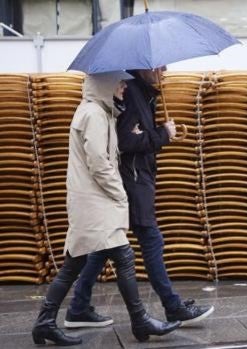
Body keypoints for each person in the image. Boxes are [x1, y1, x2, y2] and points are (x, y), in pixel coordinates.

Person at [32, 72, 180, 346]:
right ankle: (140, 321)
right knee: (123, 258)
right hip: (95, 201)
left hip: (92, 201)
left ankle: (45, 322)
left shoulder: (100, 112)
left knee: (75, 264)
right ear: (104, 85)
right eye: (120, 82)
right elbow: (99, 163)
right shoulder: (95, 116)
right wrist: (120, 193)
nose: (125, 86)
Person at [64, 67, 213, 330]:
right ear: (143, 67)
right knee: (151, 240)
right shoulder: (130, 94)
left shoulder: (143, 94)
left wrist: (156, 132)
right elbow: (123, 142)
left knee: (101, 249)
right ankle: (172, 306)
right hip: (131, 183)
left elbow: (133, 136)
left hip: (136, 180)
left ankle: (78, 308)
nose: (164, 70)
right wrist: (162, 135)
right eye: (160, 65)